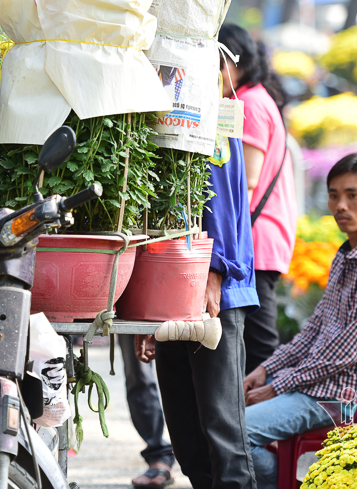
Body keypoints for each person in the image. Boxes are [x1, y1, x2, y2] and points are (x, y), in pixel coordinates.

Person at [243, 154, 357, 489]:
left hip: (338, 397)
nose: (340, 205)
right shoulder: (348, 254)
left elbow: (345, 353)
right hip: (315, 386)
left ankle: (281, 483)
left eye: (353, 195)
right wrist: (267, 369)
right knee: (223, 420)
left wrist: (277, 386)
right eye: (334, 194)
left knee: (236, 433)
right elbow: (314, 330)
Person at [137, 133, 260, 489]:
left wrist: (215, 271)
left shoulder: (210, 116)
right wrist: (145, 307)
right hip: (169, 288)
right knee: (186, 440)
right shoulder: (157, 113)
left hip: (215, 292)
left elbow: (219, 198)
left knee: (223, 436)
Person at [219, 24, 297, 374]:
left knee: (261, 344)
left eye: (216, 63)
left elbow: (247, 182)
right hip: (264, 236)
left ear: (235, 62)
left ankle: (263, 423)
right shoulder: (257, 97)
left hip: (256, 239)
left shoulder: (248, 103)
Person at [117, 334, 176, 488]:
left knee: (183, 370)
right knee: (138, 374)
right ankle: (158, 454)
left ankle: (203, 459)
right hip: (131, 311)